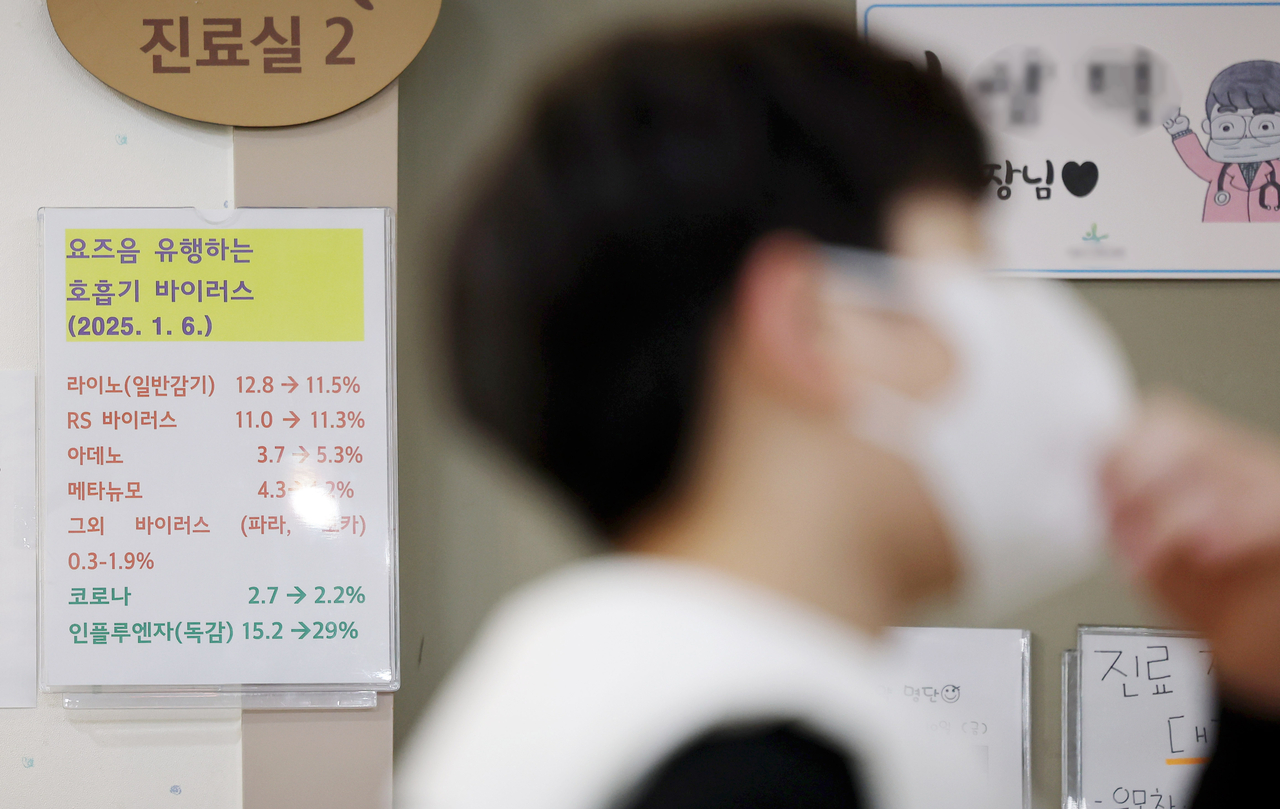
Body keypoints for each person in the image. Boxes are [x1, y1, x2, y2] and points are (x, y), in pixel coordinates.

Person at [397, 14, 1279, 809]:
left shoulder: (572, 674)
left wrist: (1255, 682)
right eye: (975, 263)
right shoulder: (759, 756)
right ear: (814, 323)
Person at [1164, 60, 1280, 222]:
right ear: (1209, 127)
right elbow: (1198, 161)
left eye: (1265, 127)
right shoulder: (1219, 171)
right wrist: (1180, 132)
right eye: (1227, 127)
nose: (1246, 137)